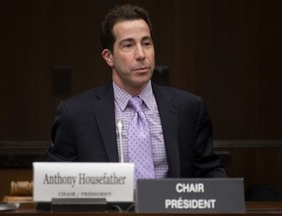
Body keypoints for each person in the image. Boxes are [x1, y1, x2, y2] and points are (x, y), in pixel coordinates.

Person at [47, 4, 227, 179]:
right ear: (109, 57)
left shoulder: (189, 108)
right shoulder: (75, 114)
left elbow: (210, 174)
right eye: (128, 45)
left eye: (147, 43)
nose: (141, 54)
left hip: (170, 209)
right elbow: (55, 183)